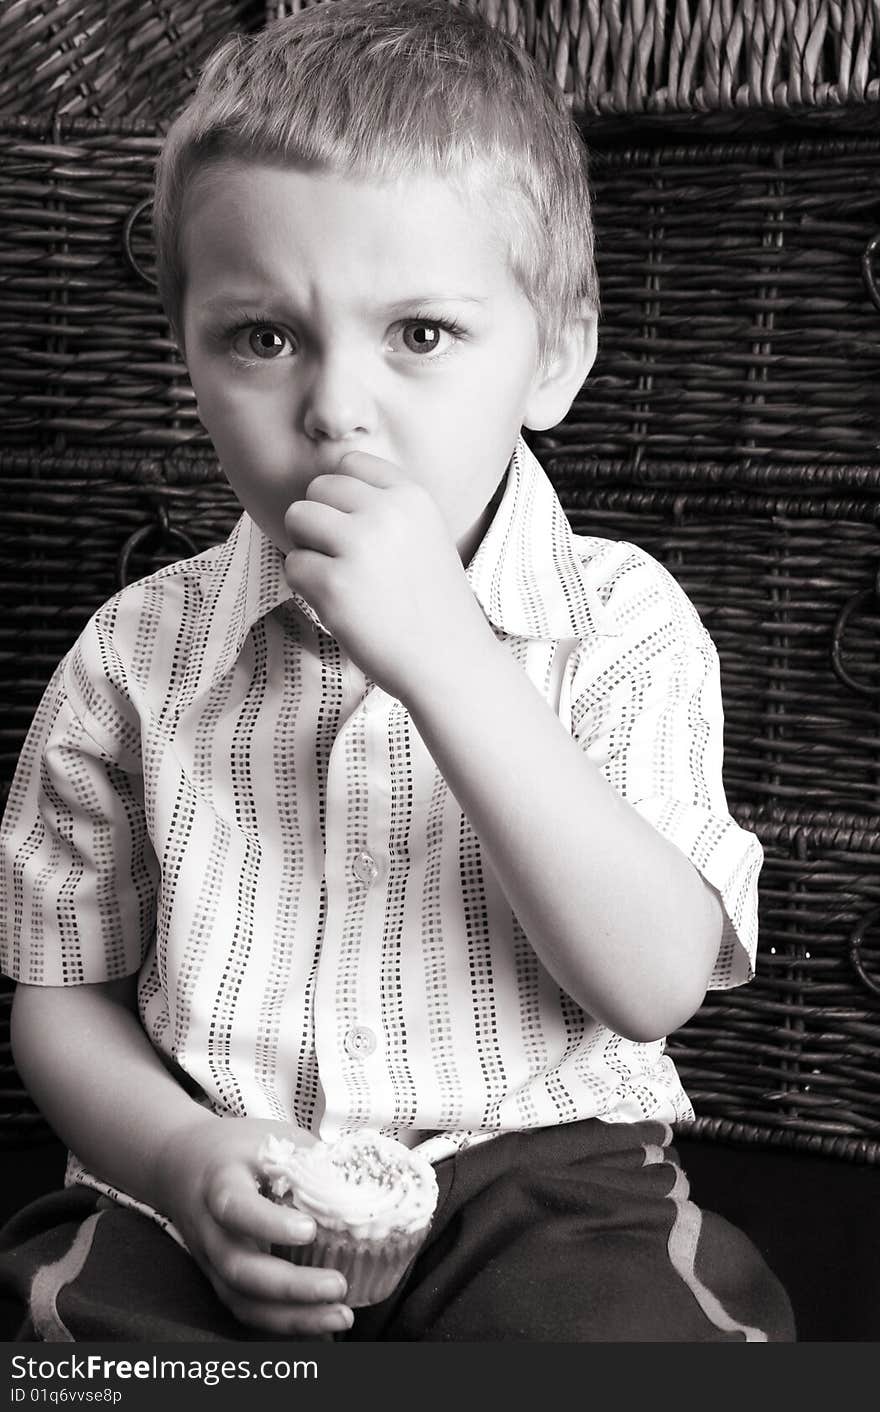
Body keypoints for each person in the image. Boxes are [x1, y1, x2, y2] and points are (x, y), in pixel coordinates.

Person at [0, 0, 794, 1342]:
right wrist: (176, 1165)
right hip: (208, 1156)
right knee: (86, 1347)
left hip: (545, 1175)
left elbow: (656, 981)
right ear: (187, 356)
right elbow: (62, 996)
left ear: (554, 355)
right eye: (263, 336)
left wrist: (450, 659)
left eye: (420, 333)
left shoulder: (624, 626)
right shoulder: (132, 658)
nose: (337, 408)